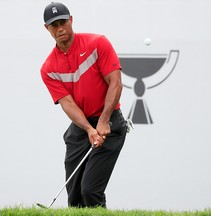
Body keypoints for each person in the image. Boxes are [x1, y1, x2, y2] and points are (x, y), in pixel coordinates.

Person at [40, 2, 127, 208]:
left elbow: (116, 83)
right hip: (81, 127)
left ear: (71, 20)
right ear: (47, 29)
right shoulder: (48, 67)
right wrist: (88, 128)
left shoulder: (97, 43)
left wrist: (104, 121)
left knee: (90, 190)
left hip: (109, 122)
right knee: (75, 196)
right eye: (54, 25)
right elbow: (67, 103)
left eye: (63, 22)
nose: (60, 28)